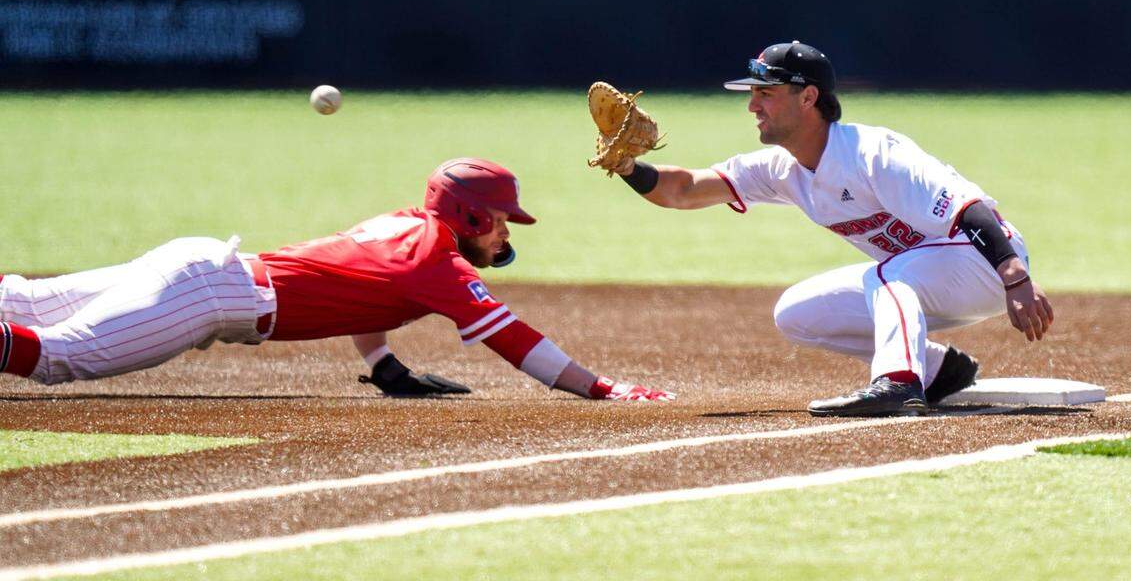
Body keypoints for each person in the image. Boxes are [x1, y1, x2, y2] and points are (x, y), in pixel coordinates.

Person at [598, 41, 1052, 416]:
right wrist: (629, 167)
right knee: (797, 313)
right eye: (753, 94)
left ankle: (897, 382)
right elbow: (684, 189)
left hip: (983, 260)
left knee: (891, 276)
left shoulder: (874, 152)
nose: (752, 105)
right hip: (920, 281)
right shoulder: (782, 168)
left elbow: (967, 207)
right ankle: (937, 371)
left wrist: (1015, 275)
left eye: (766, 93)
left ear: (808, 97)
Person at [0, 158, 675, 402]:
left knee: (27, 298)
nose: (508, 234)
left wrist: (381, 362)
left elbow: (360, 289)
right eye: (501, 220)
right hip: (208, 295)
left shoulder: (409, 226)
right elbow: (516, 340)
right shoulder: (435, 261)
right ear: (469, 215)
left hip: (204, 268)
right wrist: (601, 386)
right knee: (59, 357)